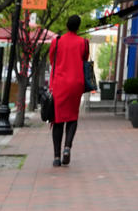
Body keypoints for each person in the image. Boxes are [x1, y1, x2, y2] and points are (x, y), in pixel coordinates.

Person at [48, 14, 88, 167]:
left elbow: (53, 61)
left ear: (66, 25)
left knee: (57, 120)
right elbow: (84, 60)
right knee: (72, 117)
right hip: (76, 84)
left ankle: (57, 157)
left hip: (59, 84)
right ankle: (67, 148)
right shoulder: (84, 43)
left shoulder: (56, 42)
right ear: (78, 27)